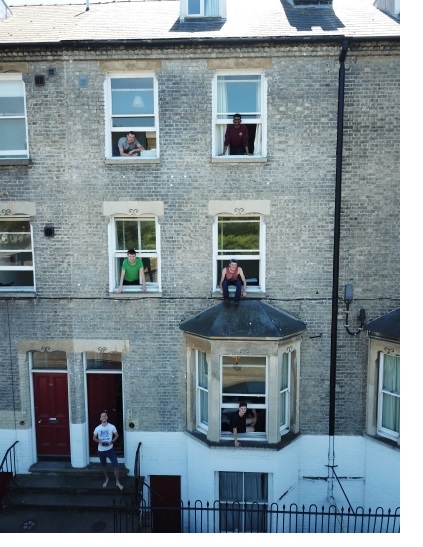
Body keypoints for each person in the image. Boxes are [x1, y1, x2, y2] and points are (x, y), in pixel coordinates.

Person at [93, 412, 123, 490]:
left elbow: (117, 435)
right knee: (104, 466)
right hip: (101, 450)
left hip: (110, 449)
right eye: (102, 416)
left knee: (116, 465)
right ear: (100, 418)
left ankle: (117, 482)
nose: (104, 417)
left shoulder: (112, 427)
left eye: (105, 416)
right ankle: (107, 479)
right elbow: (94, 437)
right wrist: (99, 441)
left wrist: (111, 442)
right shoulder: (98, 428)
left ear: (107, 417)